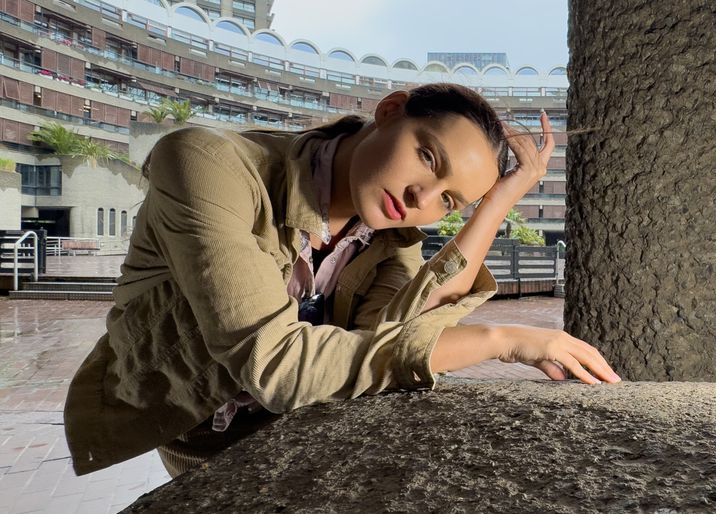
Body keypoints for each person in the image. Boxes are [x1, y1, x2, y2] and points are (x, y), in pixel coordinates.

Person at [63, 83, 621, 478]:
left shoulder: (386, 235)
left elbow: (399, 337)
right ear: (390, 109)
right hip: (204, 436)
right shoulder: (209, 164)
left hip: (303, 429)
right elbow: (276, 367)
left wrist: (498, 200)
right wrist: (503, 341)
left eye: (448, 200)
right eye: (427, 156)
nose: (420, 201)